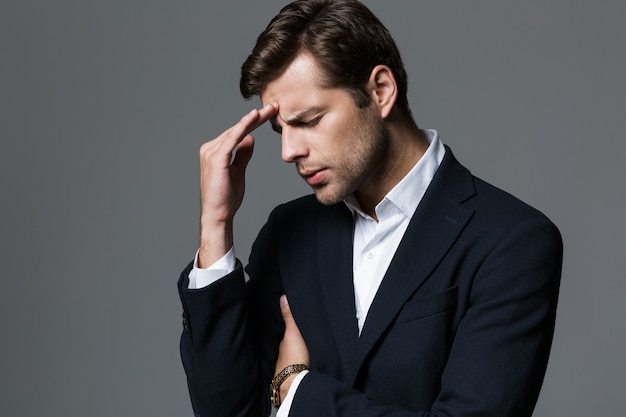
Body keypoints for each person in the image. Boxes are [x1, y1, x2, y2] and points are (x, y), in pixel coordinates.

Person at [177, 1, 563, 416]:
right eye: (279, 130)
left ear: (380, 91)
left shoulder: (512, 240)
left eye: (308, 120)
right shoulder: (289, 231)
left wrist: (296, 387)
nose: (289, 151)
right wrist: (215, 225)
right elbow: (227, 410)